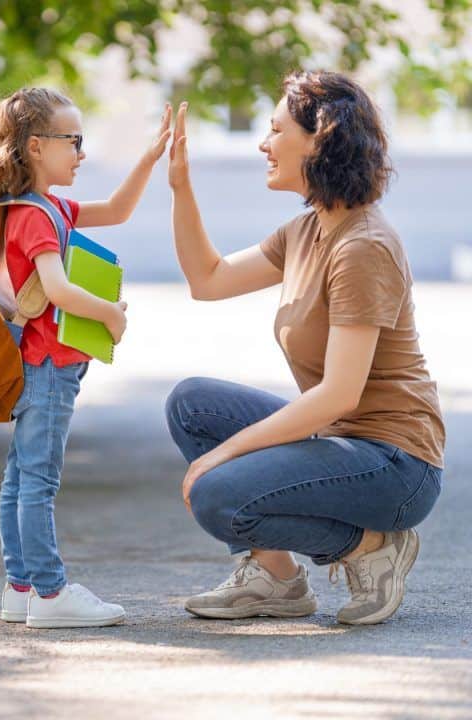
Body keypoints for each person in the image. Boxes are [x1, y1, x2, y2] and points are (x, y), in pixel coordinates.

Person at [163, 70, 444, 625]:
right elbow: (208, 279)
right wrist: (180, 186)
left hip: (396, 465)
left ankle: (372, 546)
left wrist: (223, 454)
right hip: (344, 442)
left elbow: (338, 395)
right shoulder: (306, 231)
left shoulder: (363, 246)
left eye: (276, 130)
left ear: (321, 139)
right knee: (191, 403)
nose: (263, 144)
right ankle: (276, 578)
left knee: (217, 494)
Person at [0, 87, 170, 628]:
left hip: (32, 365)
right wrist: (110, 314)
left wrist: (149, 157)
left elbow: (117, 210)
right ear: (36, 146)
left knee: (19, 478)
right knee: (38, 482)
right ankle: (50, 592)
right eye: (74, 141)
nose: (81, 153)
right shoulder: (36, 217)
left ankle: (20, 587)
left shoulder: (42, 208)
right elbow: (59, 289)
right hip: (47, 367)